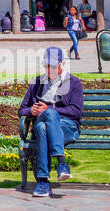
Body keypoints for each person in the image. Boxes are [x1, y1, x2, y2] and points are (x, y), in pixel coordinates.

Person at [19, 47, 84, 198]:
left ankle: (42, 182)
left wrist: (49, 109)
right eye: (47, 66)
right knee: (46, 118)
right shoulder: (37, 82)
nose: (50, 69)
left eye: (53, 66)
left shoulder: (73, 82)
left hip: (67, 127)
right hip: (48, 123)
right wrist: (31, 111)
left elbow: (76, 111)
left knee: (42, 126)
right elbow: (22, 109)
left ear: (62, 64)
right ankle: (61, 163)